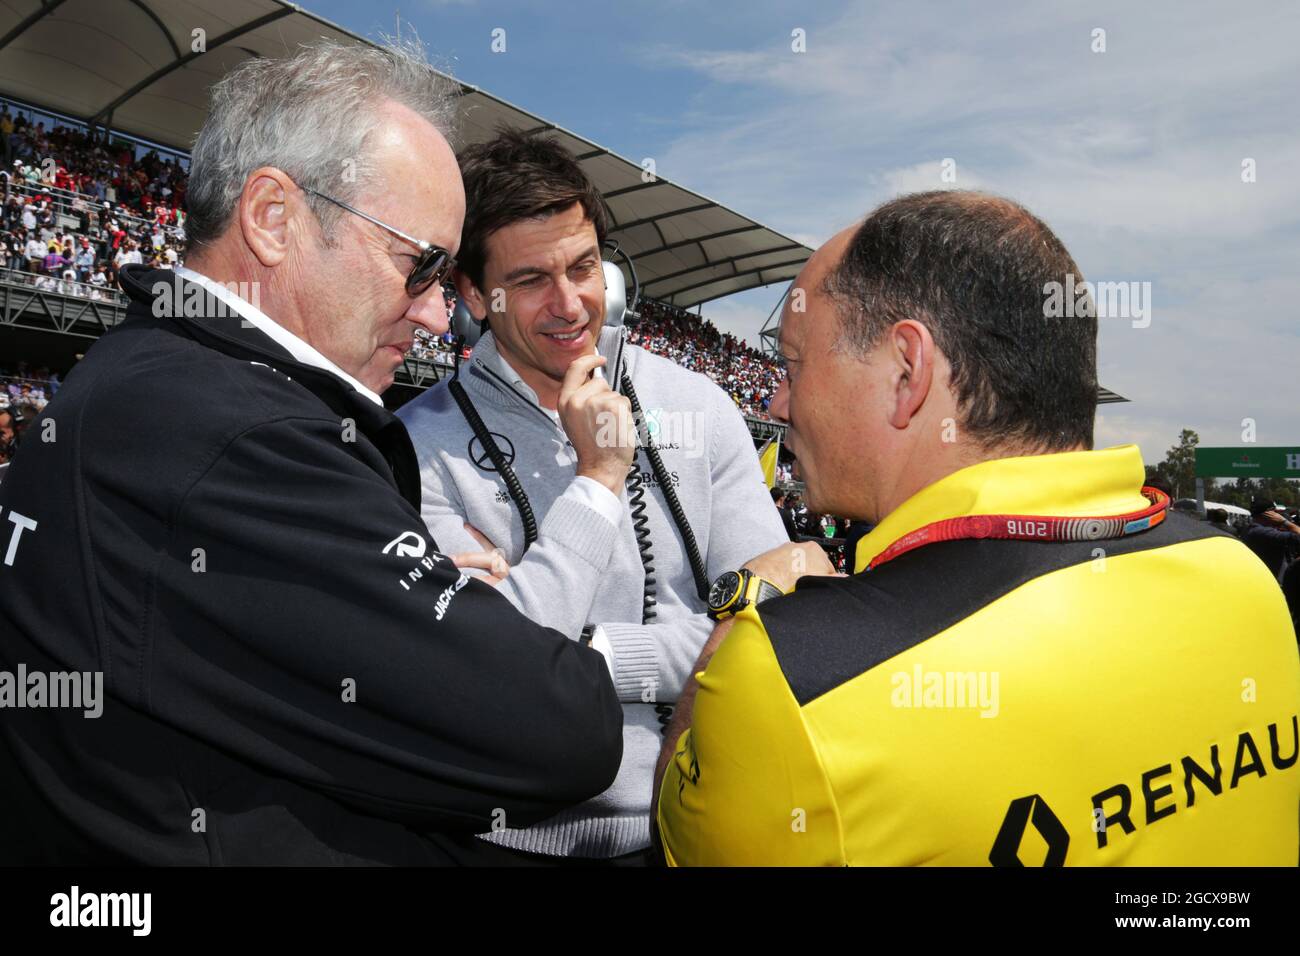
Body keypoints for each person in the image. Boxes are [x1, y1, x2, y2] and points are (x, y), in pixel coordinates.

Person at [0, 40, 626, 866]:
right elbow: (564, 729)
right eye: (422, 266)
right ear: (272, 218)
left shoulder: (152, 384)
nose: (441, 315)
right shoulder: (229, 431)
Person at [654, 190, 1300, 866]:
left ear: (908, 372)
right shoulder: (1243, 576)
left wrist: (736, 623)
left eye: (793, 364)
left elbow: (675, 838)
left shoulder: (790, 680)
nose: (778, 401)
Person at [397, 130, 789, 863]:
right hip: (493, 841)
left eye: (583, 267)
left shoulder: (697, 405)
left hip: (690, 828)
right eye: (533, 279)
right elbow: (482, 674)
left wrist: (590, 648)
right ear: (478, 295)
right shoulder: (414, 446)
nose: (571, 303)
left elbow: (770, 632)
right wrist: (600, 476)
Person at [1241, 496, 1300, 581]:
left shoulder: (1250, 529)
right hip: (1276, 582)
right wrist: (1285, 522)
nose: (1278, 515)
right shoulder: (1263, 532)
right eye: (1275, 512)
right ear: (1269, 514)